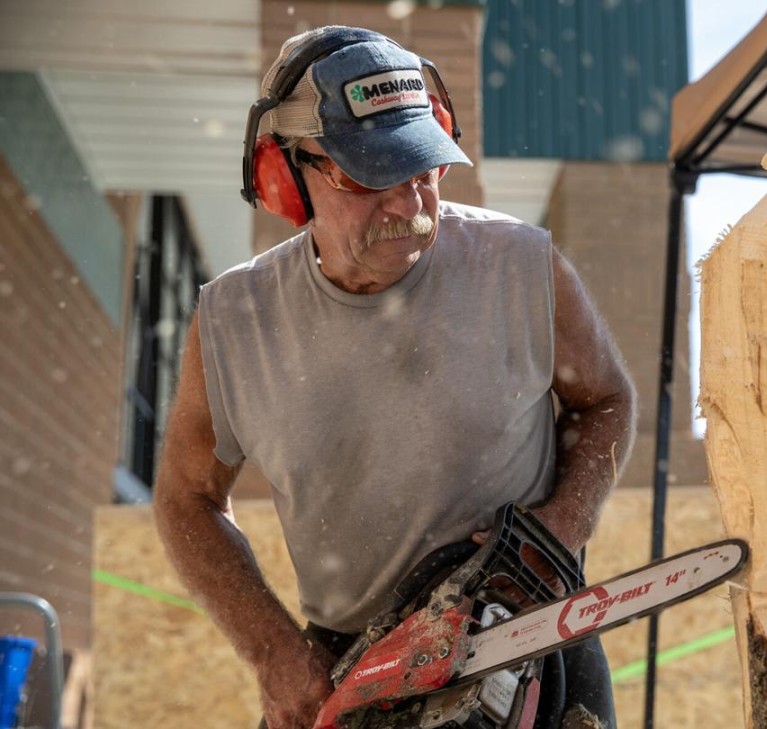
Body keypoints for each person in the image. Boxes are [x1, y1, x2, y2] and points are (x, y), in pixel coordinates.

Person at [153, 25, 636, 729]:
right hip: (348, 655)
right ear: (290, 173)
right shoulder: (235, 320)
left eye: (421, 172)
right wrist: (272, 649)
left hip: (525, 631)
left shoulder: (522, 267)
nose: (408, 208)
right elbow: (186, 498)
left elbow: (607, 401)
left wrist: (558, 531)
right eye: (369, 177)